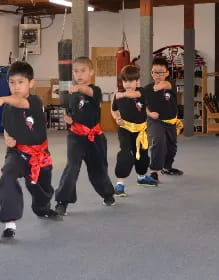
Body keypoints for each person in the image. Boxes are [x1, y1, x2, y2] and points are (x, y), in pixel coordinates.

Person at [0, 61, 61, 244]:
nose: (15, 87)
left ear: (31, 83)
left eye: (20, 82)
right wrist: (7, 138)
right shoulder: (8, 107)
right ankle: (9, 223)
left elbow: (20, 102)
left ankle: (42, 208)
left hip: (39, 153)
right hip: (17, 152)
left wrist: (4, 98)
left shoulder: (35, 102)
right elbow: (6, 127)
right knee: (7, 176)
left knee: (39, 186)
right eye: (11, 82)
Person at [54, 56, 116, 216]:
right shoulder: (72, 94)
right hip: (76, 137)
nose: (79, 74)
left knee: (98, 168)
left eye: (83, 71)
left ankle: (107, 194)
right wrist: (68, 119)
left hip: (95, 137)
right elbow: (71, 114)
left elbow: (87, 91)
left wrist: (78, 88)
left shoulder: (95, 90)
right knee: (72, 167)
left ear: (91, 72)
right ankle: (62, 201)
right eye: (76, 71)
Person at [111, 65, 158, 197]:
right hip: (125, 129)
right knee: (125, 153)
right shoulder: (118, 95)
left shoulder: (141, 92)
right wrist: (117, 118)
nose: (128, 84)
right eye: (125, 81)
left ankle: (141, 177)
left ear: (137, 81)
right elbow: (114, 110)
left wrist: (122, 94)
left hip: (141, 131)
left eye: (131, 81)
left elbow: (134, 94)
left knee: (143, 155)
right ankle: (120, 184)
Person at [143, 57, 184, 183]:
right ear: (151, 73)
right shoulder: (147, 89)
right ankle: (154, 172)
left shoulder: (171, 83)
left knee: (172, 147)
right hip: (155, 121)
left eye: (161, 72)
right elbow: (143, 106)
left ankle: (167, 167)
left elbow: (165, 84)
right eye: (155, 72)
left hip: (171, 121)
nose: (158, 75)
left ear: (167, 73)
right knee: (159, 141)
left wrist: (160, 86)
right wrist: (150, 113)